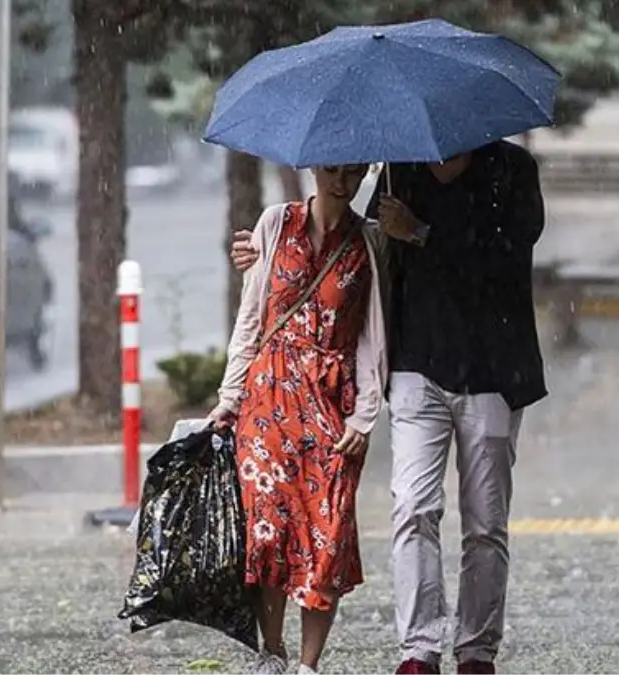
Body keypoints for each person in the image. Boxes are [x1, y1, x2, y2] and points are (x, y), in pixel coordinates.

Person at [230, 140, 547, 675]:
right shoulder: (404, 168)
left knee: (485, 522)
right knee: (413, 509)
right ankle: (418, 651)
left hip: (494, 369)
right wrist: (268, 253)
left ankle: (475, 652)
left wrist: (423, 234)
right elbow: (364, 250)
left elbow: (506, 255)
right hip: (417, 364)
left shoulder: (511, 169)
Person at [209, 163, 388, 675]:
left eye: (354, 173)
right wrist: (230, 395)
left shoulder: (369, 242)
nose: (341, 181)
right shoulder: (274, 224)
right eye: (332, 170)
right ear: (312, 168)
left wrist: (365, 415)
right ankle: (273, 652)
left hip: (333, 402)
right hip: (268, 397)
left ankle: (309, 665)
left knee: (326, 536)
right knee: (268, 529)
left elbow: (373, 336)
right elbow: (252, 315)